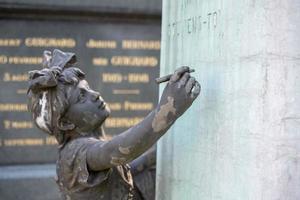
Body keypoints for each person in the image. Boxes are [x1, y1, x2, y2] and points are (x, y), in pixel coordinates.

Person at [27, 49, 200, 200]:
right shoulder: (75, 153)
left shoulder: (90, 146)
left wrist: (155, 156)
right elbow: (119, 151)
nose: (94, 95)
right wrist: (168, 108)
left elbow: (123, 166)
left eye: (88, 88)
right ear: (65, 123)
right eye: (81, 97)